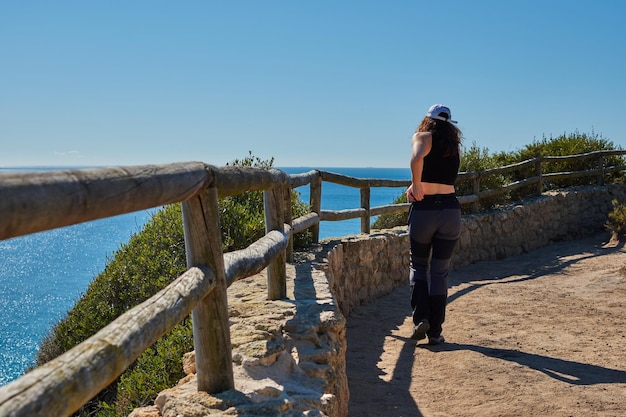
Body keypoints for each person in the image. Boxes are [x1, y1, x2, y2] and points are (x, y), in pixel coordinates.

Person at [406, 104, 462, 345]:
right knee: (440, 271)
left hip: (425, 209)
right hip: (450, 210)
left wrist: (416, 185)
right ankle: (436, 332)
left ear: (428, 120)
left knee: (418, 265)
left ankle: (421, 318)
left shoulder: (422, 136)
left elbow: (417, 158)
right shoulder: (453, 146)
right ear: (449, 123)